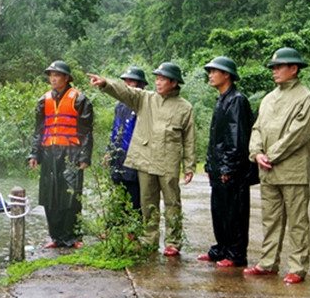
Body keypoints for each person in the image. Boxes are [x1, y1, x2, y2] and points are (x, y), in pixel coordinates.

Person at [88, 62, 196, 256]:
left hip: (168, 161)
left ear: (173, 83)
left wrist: (189, 165)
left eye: (162, 79)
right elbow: (125, 92)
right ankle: (149, 238)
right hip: (145, 158)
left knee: (172, 202)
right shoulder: (145, 99)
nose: (158, 82)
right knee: (147, 201)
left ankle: (173, 242)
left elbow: (189, 140)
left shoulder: (184, 107)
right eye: (156, 78)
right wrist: (106, 83)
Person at [245, 47, 310, 285]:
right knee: (270, 219)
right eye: (273, 67)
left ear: (294, 69)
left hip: (292, 171)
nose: (275, 71)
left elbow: (298, 134)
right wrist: (256, 152)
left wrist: (271, 154)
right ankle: (268, 263)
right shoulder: (268, 98)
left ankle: (297, 268)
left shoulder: (306, 98)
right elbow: (257, 128)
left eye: (279, 67)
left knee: (297, 221)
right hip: (267, 169)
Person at [28, 61, 94, 249]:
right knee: (50, 195)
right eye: (51, 75)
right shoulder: (43, 100)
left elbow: (87, 132)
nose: (53, 78)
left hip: (71, 153)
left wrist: (84, 156)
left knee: (71, 196)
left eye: (57, 75)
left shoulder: (80, 100)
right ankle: (56, 237)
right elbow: (39, 131)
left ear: (66, 78)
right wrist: (34, 154)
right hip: (49, 152)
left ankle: (73, 237)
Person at [199, 57, 254, 268]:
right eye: (210, 71)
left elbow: (237, 138)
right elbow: (216, 138)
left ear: (227, 74)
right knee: (219, 210)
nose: (210, 75)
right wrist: (209, 164)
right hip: (219, 166)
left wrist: (228, 167)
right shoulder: (222, 98)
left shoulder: (237, 100)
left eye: (214, 71)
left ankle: (236, 254)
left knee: (235, 212)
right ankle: (221, 248)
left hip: (231, 168)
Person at [106, 66, 148, 212]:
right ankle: (116, 226)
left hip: (135, 156)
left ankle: (133, 229)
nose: (127, 84)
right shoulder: (120, 105)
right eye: (126, 81)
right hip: (118, 155)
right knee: (117, 192)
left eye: (132, 81)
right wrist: (109, 151)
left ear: (141, 84)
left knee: (134, 193)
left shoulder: (145, 104)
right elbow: (115, 129)